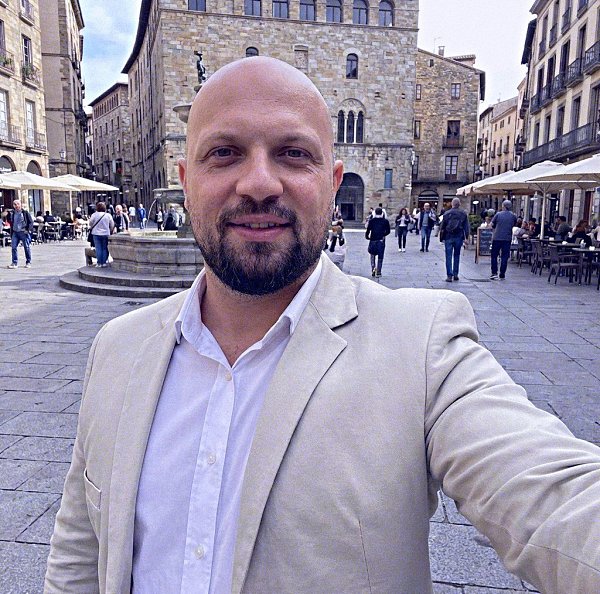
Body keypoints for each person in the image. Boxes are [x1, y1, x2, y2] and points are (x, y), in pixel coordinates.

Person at [45, 57, 600, 594]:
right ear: (186, 182)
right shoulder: (117, 347)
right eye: (224, 153)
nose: (258, 183)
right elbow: (78, 553)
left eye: (293, 154)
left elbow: (552, 497)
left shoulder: (423, 347)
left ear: (333, 184)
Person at [439, 197, 470, 282]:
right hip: (458, 236)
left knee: (448, 256)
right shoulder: (463, 214)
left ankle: (449, 275)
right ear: (459, 204)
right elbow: (466, 227)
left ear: (452, 204)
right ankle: (455, 274)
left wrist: (441, 237)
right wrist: (466, 237)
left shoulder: (446, 213)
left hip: (448, 236)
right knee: (457, 255)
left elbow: (442, 227)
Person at [490, 200, 518, 280]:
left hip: (497, 237)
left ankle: (494, 273)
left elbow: (492, 224)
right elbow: (514, 224)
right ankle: (502, 273)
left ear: (503, 206)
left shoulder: (498, 214)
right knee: (504, 256)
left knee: (494, 255)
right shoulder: (513, 216)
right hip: (507, 238)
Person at [6, 199, 33, 269]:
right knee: (13, 247)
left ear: (20, 204)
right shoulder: (12, 213)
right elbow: (9, 221)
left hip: (23, 232)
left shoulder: (25, 212)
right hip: (15, 232)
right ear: (13, 206)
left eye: (18, 204)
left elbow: (30, 222)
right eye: (15, 204)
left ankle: (28, 262)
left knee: (26, 247)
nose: (16, 206)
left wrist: (28, 230)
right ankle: (14, 263)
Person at [365, 206, 390, 277]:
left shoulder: (372, 221)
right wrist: (383, 234)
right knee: (380, 256)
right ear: (382, 213)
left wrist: (367, 236)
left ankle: (373, 268)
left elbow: (368, 230)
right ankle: (379, 271)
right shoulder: (385, 221)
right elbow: (388, 231)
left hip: (373, 239)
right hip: (381, 240)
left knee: (372, 255)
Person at [88, 201, 115, 268]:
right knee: (105, 248)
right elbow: (112, 225)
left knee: (98, 248)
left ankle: (99, 262)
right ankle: (104, 262)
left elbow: (90, 223)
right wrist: (110, 231)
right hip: (106, 233)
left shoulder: (94, 215)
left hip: (96, 233)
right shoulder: (108, 215)